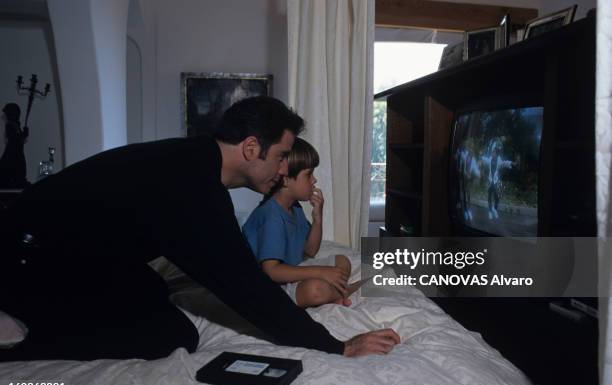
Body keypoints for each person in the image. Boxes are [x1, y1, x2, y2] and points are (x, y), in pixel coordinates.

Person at [0, 96, 399, 362]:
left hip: (70, 250)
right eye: (279, 156)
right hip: (26, 259)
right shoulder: (192, 185)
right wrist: (337, 346)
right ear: (250, 148)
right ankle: (19, 338)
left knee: (155, 290)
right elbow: (249, 288)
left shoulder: (191, 160)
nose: (283, 170)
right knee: (173, 336)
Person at [242, 138, 358, 308]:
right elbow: (271, 271)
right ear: (286, 179)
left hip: (291, 270)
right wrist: (321, 272)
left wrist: (317, 219)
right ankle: (340, 291)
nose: (314, 180)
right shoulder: (271, 215)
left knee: (342, 261)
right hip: (269, 285)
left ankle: (334, 292)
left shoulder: (294, 206)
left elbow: (310, 250)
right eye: (309, 174)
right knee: (315, 290)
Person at [481, 140, 514, 220]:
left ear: (496, 154)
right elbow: (484, 159)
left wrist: (512, 163)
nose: (493, 154)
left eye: (494, 153)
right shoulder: (489, 160)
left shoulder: (499, 161)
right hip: (490, 181)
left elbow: (504, 163)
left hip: (496, 182)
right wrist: (480, 156)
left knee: (497, 197)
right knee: (489, 196)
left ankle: (494, 209)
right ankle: (489, 211)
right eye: (492, 153)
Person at [0, 103, 29, 188]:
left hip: (15, 155)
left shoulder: (14, 125)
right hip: (13, 155)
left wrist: (24, 134)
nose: (5, 116)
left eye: (7, 114)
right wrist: (23, 135)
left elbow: (18, 140)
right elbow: (15, 139)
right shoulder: (10, 125)